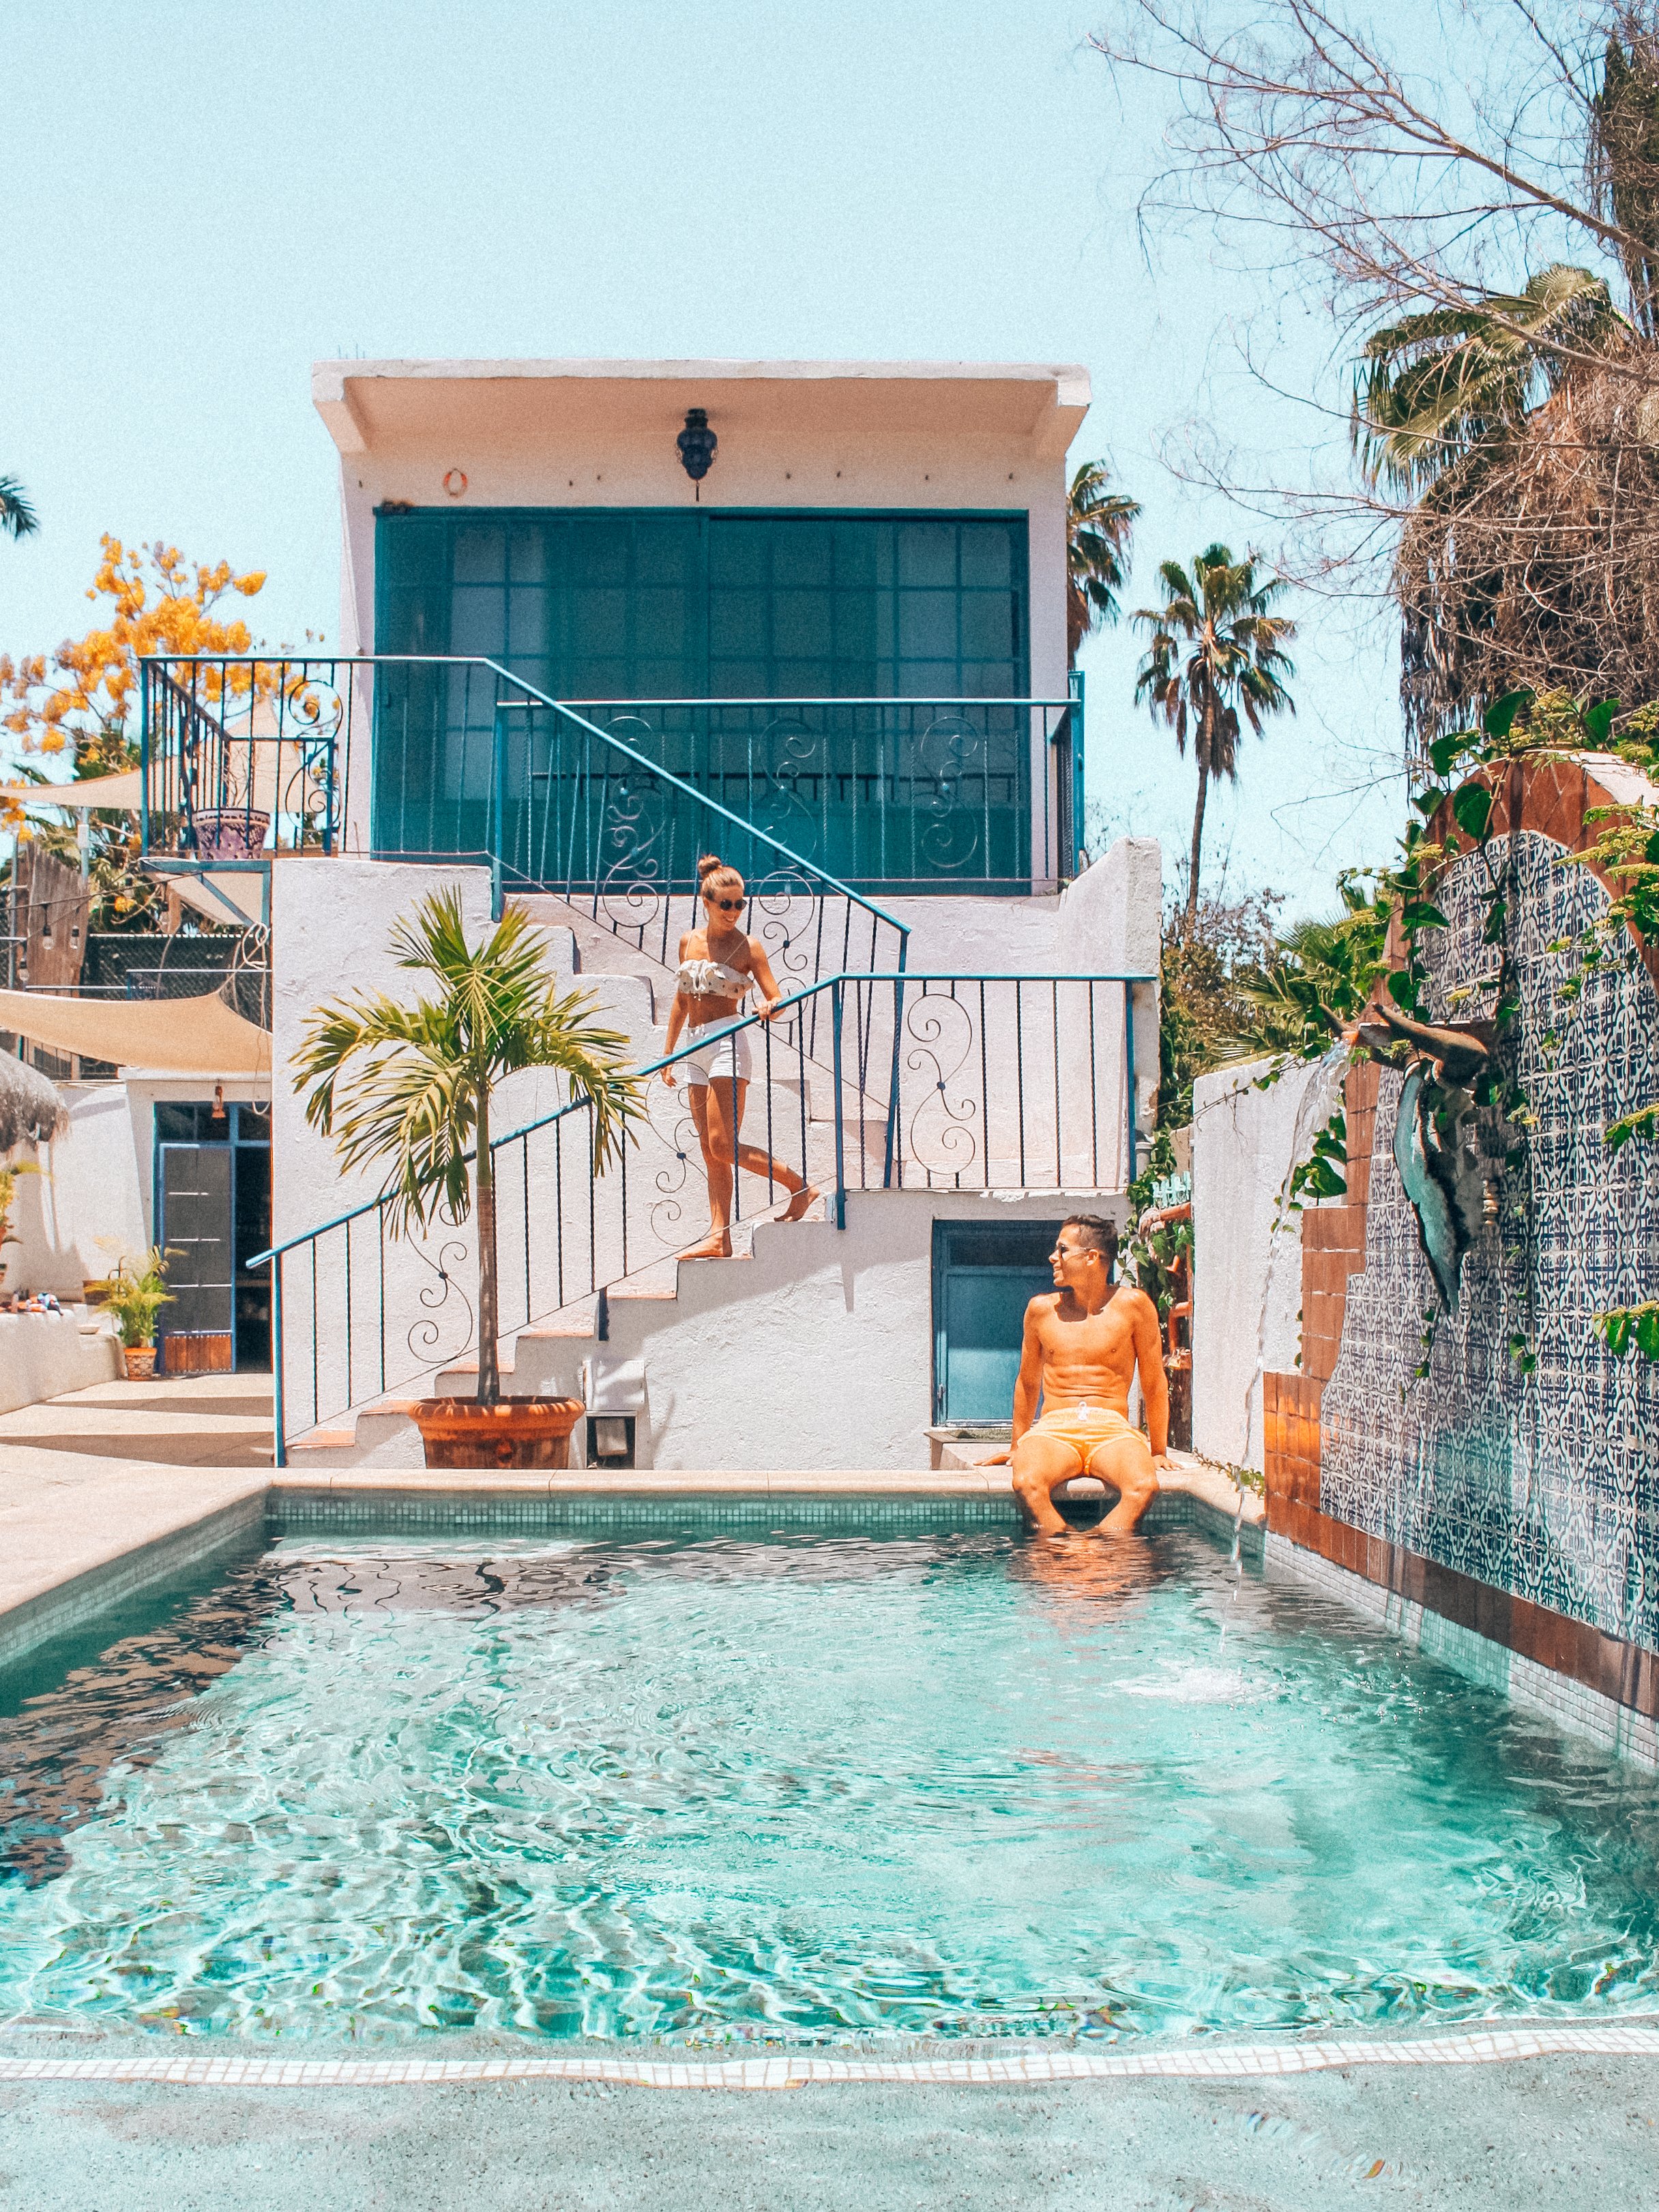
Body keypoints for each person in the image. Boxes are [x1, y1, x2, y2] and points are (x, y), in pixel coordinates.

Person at [662, 855, 818, 1260]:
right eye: (725, 904)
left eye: (740, 904)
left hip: (728, 1041)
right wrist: (667, 1053)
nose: (733, 912)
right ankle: (719, 1236)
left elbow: (777, 997)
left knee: (723, 1145)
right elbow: (682, 999)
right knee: (708, 1149)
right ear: (707, 901)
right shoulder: (688, 942)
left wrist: (772, 1007)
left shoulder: (749, 947)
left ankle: (798, 1187)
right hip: (694, 1045)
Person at [1001, 1215, 1170, 1537]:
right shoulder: (1040, 1309)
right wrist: (1016, 1444)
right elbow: (1027, 1382)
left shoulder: (1134, 1306)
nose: (1053, 1257)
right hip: (1055, 1429)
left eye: (1062, 1249)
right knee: (1026, 1483)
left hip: (1112, 1430)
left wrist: (1159, 1451)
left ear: (1091, 1257)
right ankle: (1072, 1550)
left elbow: (1153, 1381)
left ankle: (1092, 1547)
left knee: (1144, 1486)